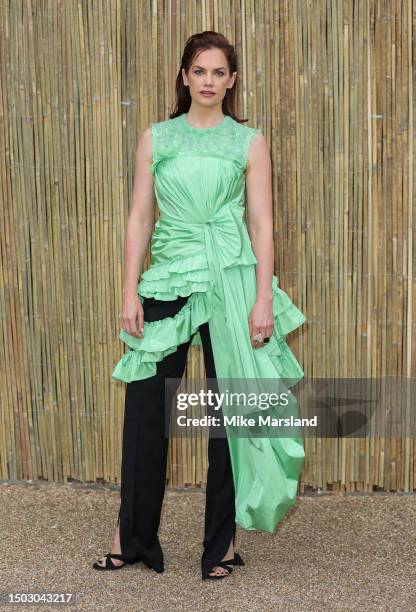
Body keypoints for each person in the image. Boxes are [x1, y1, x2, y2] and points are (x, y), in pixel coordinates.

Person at [93, 30, 306, 581]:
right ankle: (131, 536)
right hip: (166, 278)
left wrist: (264, 296)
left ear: (231, 81)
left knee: (227, 413)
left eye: (219, 72)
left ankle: (222, 544)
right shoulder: (157, 138)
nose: (208, 81)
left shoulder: (248, 141)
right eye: (199, 71)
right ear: (184, 77)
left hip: (231, 282)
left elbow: (261, 222)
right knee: (144, 411)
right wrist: (128, 290)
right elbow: (140, 218)